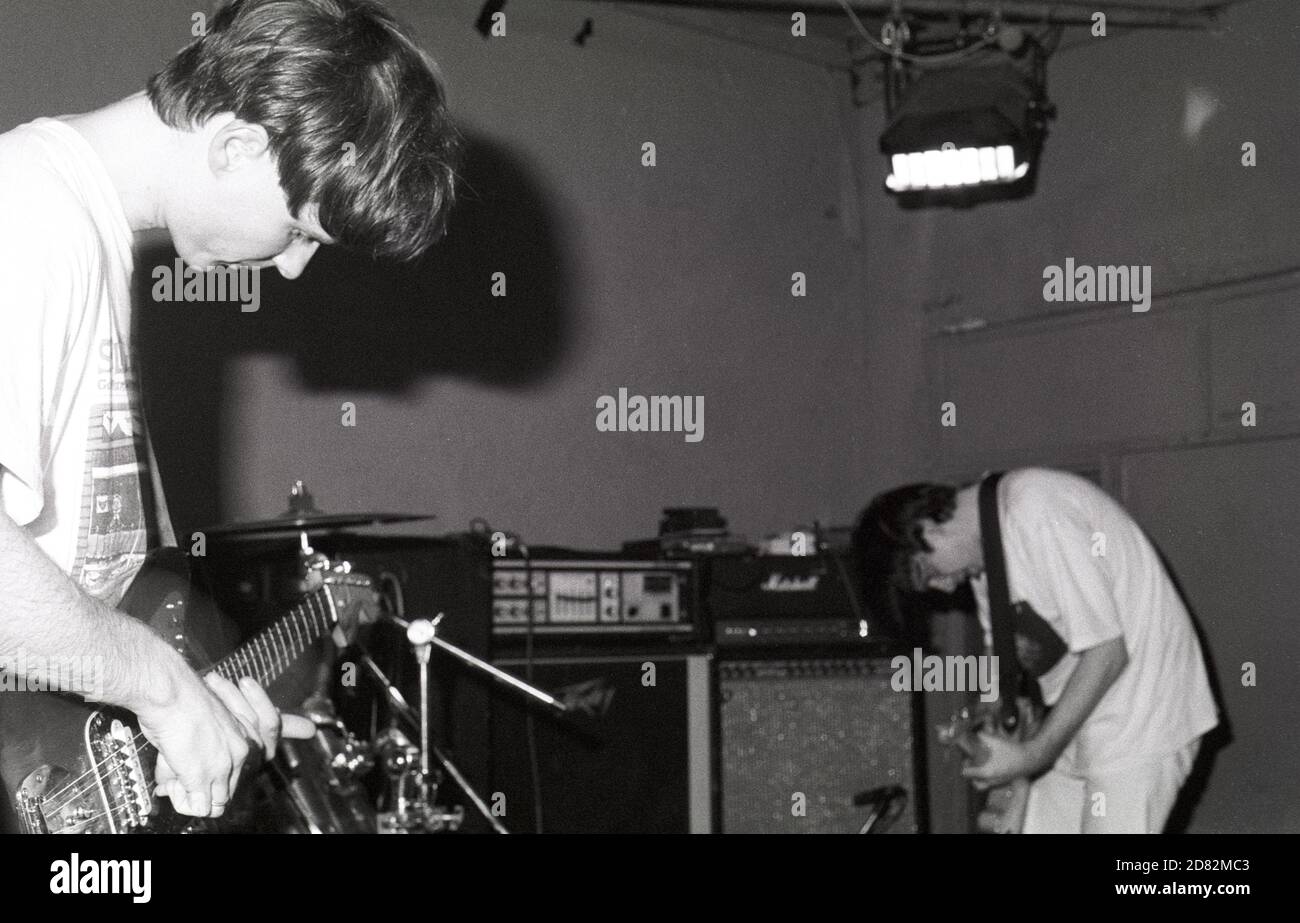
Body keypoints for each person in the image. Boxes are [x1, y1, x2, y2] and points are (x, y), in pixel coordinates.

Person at [0, 0, 460, 823]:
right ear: (237, 145)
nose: (289, 269)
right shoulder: (28, 215)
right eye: (298, 231)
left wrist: (162, 725)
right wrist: (165, 690)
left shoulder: (88, 232)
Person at [853, 467, 1219, 833]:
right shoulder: (987, 550)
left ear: (928, 528)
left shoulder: (1037, 511)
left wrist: (1030, 757)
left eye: (928, 573)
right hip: (1079, 722)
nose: (946, 588)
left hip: (1141, 721)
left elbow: (1107, 654)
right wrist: (995, 737)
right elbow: (1008, 668)